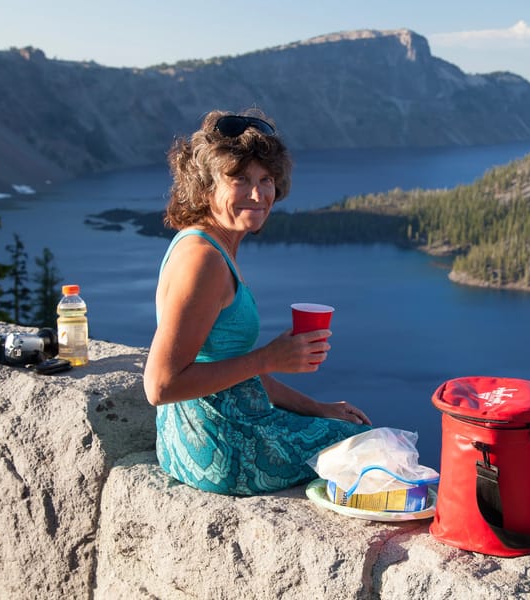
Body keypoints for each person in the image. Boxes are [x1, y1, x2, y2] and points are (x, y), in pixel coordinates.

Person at [143, 109, 371, 496]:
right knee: (370, 445)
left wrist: (316, 406)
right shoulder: (203, 260)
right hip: (224, 449)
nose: (258, 194)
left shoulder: (207, 245)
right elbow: (160, 386)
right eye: (240, 179)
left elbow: (226, 365)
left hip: (208, 435)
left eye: (266, 179)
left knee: (349, 427)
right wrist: (269, 357)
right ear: (205, 188)